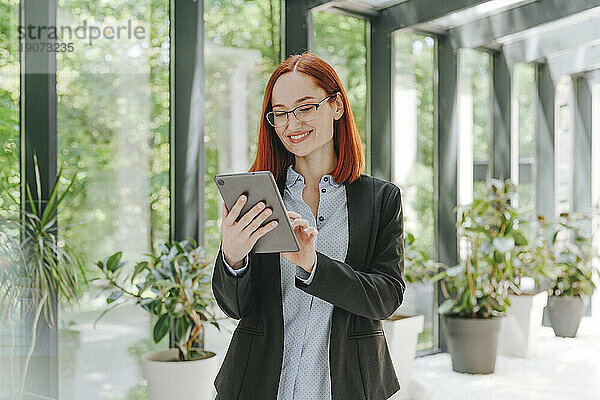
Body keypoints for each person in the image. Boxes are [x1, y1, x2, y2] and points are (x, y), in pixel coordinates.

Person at [212, 52, 406, 400]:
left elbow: (387, 297)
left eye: (305, 107)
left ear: (336, 106)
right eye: (282, 113)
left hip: (345, 385)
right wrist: (233, 257)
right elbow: (234, 308)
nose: (293, 123)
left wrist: (312, 265)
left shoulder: (380, 199)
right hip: (260, 383)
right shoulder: (258, 195)